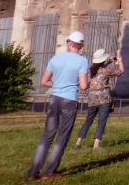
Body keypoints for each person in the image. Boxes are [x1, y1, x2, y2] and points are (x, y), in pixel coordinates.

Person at [28, 30, 90, 180]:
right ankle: (49, 173)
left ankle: (33, 172)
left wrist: (57, 84)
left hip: (54, 98)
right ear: (81, 46)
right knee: (62, 138)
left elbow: (44, 82)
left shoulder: (55, 58)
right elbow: (83, 86)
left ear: (68, 43)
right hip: (69, 101)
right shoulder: (82, 61)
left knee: (46, 137)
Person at [74, 49, 123, 149]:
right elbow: (120, 71)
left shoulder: (90, 71)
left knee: (88, 120)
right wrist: (119, 61)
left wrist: (109, 60)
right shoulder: (105, 71)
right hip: (104, 99)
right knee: (102, 121)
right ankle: (96, 144)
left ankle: (78, 142)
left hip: (92, 99)